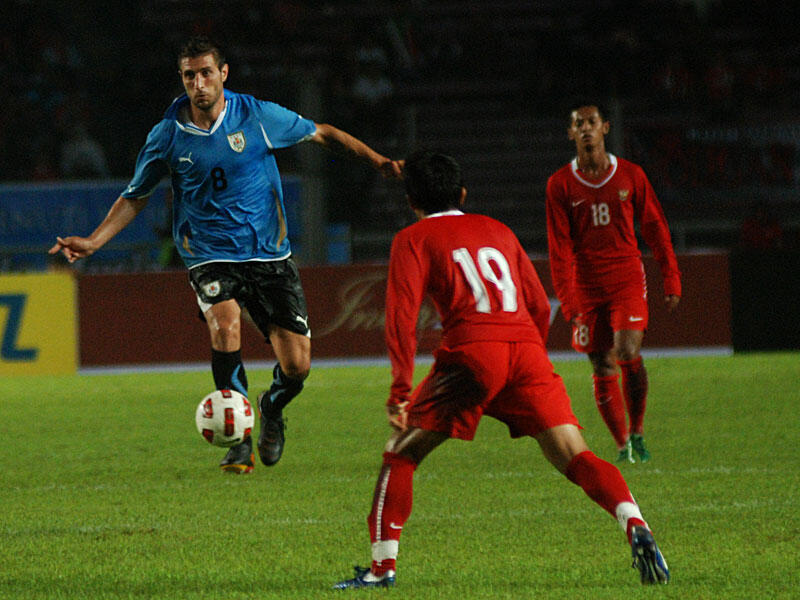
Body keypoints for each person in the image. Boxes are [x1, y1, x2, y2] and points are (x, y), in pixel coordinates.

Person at [49, 35, 403, 474]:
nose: (198, 83)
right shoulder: (167, 136)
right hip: (208, 253)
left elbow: (322, 133)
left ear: (223, 74)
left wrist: (379, 162)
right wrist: (95, 240)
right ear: (181, 80)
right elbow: (135, 195)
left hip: (269, 254)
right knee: (225, 323)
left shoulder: (256, 115)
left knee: (297, 366)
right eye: (189, 76)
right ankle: (240, 440)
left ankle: (271, 407)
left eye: (205, 73)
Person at [333, 151, 669, 589]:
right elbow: (536, 304)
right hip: (526, 351)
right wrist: (521, 351)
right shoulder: (498, 230)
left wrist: (400, 391)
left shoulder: (412, 238)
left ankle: (381, 571)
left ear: (412, 200)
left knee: (401, 451)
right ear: (464, 193)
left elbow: (401, 319)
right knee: (575, 454)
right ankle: (634, 522)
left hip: (473, 352)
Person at [545, 103, 681, 464]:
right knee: (601, 365)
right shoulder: (559, 184)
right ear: (570, 133)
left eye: (592, 123)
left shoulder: (631, 175)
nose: (586, 129)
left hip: (625, 277)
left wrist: (671, 276)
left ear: (605, 128)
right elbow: (558, 249)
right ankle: (623, 445)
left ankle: (637, 432)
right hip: (586, 283)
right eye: (578, 124)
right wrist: (570, 303)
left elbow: (654, 227)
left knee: (627, 351)